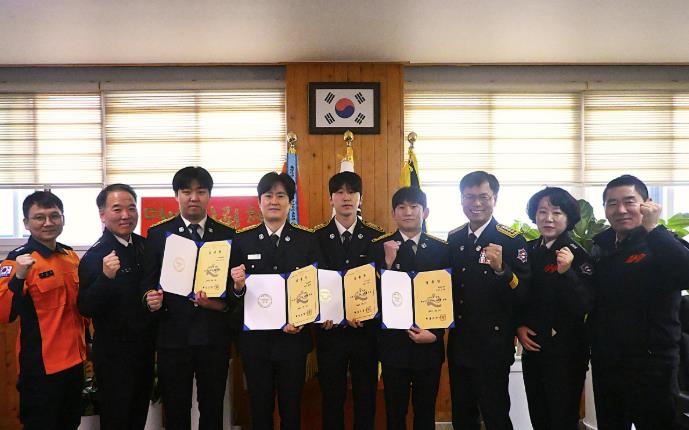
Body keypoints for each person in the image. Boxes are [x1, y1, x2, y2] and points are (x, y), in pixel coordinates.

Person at [588, 174, 689, 429]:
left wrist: (653, 229)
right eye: (612, 203)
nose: (621, 210)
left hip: (652, 364)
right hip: (608, 362)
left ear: (647, 204)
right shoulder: (600, 247)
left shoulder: (662, 242)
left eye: (629, 201)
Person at [140, 166, 235, 430]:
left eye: (201, 191)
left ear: (209, 196)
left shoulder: (227, 235)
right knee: (176, 408)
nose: (194, 197)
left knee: (212, 407)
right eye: (186, 191)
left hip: (213, 338)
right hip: (173, 338)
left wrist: (218, 304)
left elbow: (233, 290)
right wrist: (149, 298)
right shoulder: (159, 234)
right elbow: (146, 283)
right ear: (176, 195)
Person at [229, 172, 320, 430]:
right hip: (255, 343)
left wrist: (302, 320)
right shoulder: (242, 240)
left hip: (293, 341)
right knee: (260, 408)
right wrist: (238, 286)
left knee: (291, 409)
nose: (274, 201)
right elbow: (231, 295)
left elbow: (316, 287)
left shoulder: (307, 240)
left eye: (281, 196)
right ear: (259, 202)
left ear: (290, 202)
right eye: (268, 196)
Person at [446, 170, 531, 430]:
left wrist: (501, 269)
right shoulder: (454, 238)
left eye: (484, 197)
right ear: (461, 199)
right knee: (462, 415)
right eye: (469, 197)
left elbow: (524, 292)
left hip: (493, 344)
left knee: (496, 414)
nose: (476, 203)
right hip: (460, 343)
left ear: (495, 199)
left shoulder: (511, 239)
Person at [0, 191, 86, 430]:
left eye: (54, 216)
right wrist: (19, 276)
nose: (48, 223)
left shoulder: (70, 256)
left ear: (63, 219)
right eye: (39, 217)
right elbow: (4, 314)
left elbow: (81, 307)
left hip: (75, 362)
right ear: (26, 223)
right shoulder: (16, 260)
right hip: (41, 368)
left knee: (70, 423)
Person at [371, 186, 450, 430]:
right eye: (401, 207)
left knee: (425, 412)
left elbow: (448, 296)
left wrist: (435, 334)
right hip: (393, 345)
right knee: (395, 413)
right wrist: (387, 264)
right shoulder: (378, 247)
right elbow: (368, 296)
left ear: (425, 212)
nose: (408, 212)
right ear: (393, 213)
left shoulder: (442, 249)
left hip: (429, 345)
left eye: (414, 206)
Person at [78, 183, 155, 430]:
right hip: (114, 355)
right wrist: (105, 278)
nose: (125, 215)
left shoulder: (144, 246)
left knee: (138, 416)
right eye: (117, 209)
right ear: (103, 215)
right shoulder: (95, 256)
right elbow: (85, 306)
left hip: (144, 349)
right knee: (116, 419)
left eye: (131, 208)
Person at [516, 187, 593, 430]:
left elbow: (584, 304)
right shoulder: (528, 251)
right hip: (533, 347)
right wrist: (519, 326)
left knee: (563, 417)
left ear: (568, 217)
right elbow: (519, 295)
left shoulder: (578, 254)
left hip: (566, 351)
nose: (548, 218)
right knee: (539, 415)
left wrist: (567, 272)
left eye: (557, 212)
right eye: (542, 212)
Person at [313, 171, 385, 430]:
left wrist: (367, 312)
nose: (346, 197)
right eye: (340, 192)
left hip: (365, 333)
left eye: (352, 192)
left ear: (360, 198)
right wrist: (320, 315)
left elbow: (382, 284)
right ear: (331, 198)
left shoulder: (377, 237)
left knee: (365, 397)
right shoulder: (316, 237)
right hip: (329, 332)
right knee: (332, 398)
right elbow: (311, 281)